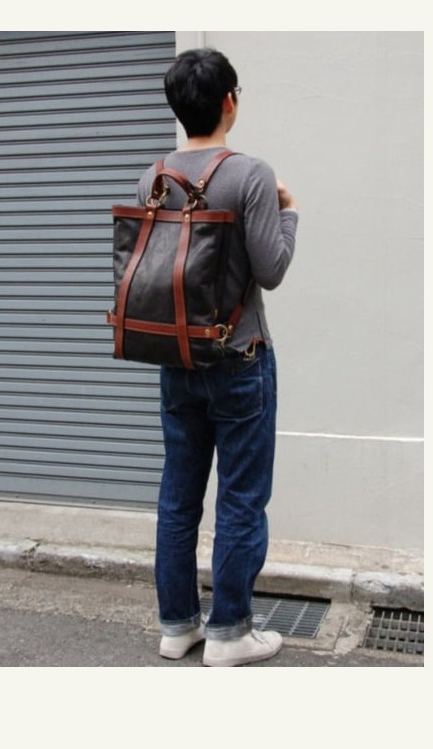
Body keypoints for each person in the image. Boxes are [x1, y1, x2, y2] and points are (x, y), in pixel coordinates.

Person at [135, 48, 298, 667]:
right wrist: (289, 212)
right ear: (229, 101)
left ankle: (177, 626)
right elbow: (271, 270)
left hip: (176, 360)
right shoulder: (250, 174)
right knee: (241, 496)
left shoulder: (152, 177)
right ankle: (230, 631)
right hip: (239, 357)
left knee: (178, 497)